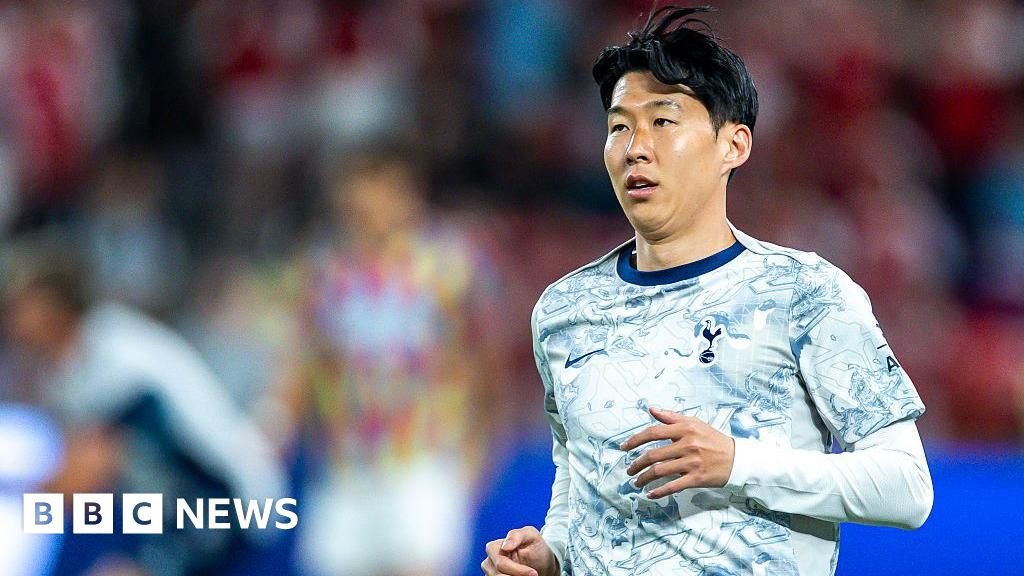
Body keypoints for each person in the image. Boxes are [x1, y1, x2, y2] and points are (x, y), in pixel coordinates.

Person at [482, 6, 933, 576]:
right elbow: (579, 483)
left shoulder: (805, 294)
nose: (635, 147)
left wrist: (738, 462)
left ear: (733, 145)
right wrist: (552, 554)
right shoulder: (564, 312)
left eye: (663, 121)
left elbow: (906, 487)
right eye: (619, 127)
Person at [275, 144, 506, 576]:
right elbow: (304, 359)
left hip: (424, 458)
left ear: (406, 193)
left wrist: (482, 449)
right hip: (344, 467)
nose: (365, 205)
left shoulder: (450, 265)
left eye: (377, 191)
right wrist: (278, 426)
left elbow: (485, 358)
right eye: (355, 192)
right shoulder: (325, 270)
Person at [3, 238, 287, 576]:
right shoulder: (68, 367)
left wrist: (21, 488)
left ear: (51, 303)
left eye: (18, 306)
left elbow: (80, 479)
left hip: (231, 508)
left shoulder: (111, 353)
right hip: (177, 513)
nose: (10, 319)